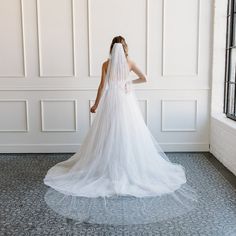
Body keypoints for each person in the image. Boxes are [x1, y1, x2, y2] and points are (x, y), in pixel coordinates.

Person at [43, 36, 199, 225]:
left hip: (110, 101)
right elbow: (145, 78)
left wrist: (95, 105)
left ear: (111, 48)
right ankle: (126, 166)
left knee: (107, 134)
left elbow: (102, 86)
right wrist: (129, 83)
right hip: (126, 103)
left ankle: (105, 167)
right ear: (125, 48)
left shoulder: (105, 64)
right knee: (128, 134)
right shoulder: (130, 63)